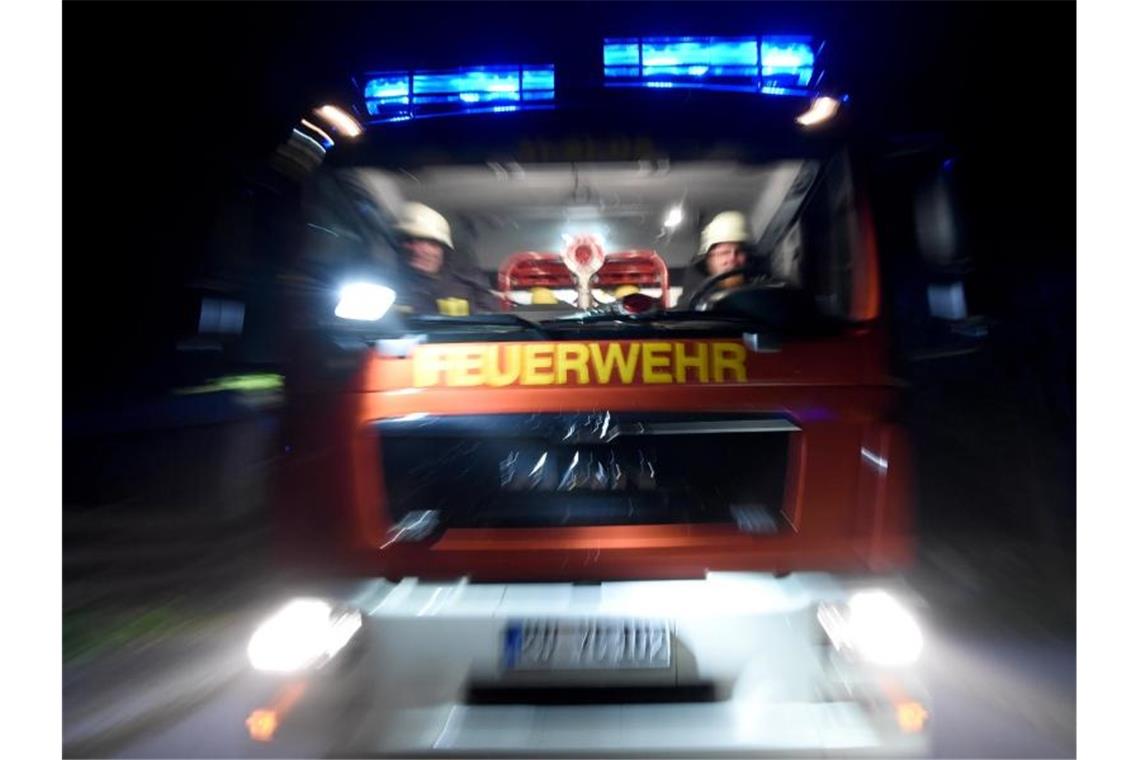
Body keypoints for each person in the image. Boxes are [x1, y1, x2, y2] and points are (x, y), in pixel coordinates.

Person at [393, 202, 498, 314]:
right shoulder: (392, 288)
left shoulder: (469, 281)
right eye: (409, 241)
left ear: (443, 249)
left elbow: (491, 316)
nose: (418, 250)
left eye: (430, 243)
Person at [677, 211, 753, 307]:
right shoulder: (689, 308)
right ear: (709, 260)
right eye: (724, 253)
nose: (732, 258)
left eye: (739, 252)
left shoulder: (764, 299)